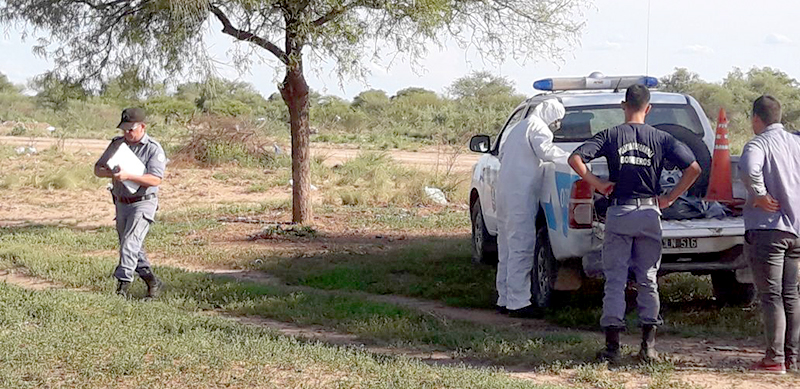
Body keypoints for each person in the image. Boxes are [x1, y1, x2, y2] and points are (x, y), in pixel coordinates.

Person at [568, 85, 701, 363]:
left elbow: (575, 159)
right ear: (648, 108)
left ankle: (613, 348)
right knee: (648, 278)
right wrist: (669, 198)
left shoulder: (611, 135)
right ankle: (648, 347)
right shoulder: (662, 138)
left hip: (620, 211)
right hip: (649, 213)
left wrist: (599, 184)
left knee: (615, 279)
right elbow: (694, 168)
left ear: (623, 105)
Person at [739, 95, 800, 374]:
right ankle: (792, 357)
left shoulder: (758, 143)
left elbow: (750, 168)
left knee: (771, 296)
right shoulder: (796, 143)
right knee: (791, 294)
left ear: (756, 118)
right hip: (796, 231)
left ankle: (774, 359)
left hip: (768, 231)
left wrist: (760, 195)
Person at [496, 99, 569, 318]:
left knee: (507, 248)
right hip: (521, 196)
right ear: (550, 115)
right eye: (556, 120)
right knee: (521, 247)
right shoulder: (537, 128)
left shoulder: (518, 127)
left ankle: (504, 298)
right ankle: (518, 303)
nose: (556, 124)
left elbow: (502, 156)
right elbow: (547, 152)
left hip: (505, 195)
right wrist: (574, 159)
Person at [94, 108, 166, 298]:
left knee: (130, 244)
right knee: (132, 246)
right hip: (121, 202)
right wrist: (113, 173)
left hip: (143, 202)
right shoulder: (117, 145)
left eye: (131, 129)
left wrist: (129, 176)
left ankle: (122, 288)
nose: (127, 133)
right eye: (124, 129)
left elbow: (155, 179)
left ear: (142, 127)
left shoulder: (153, 148)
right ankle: (152, 282)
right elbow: (98, 169)